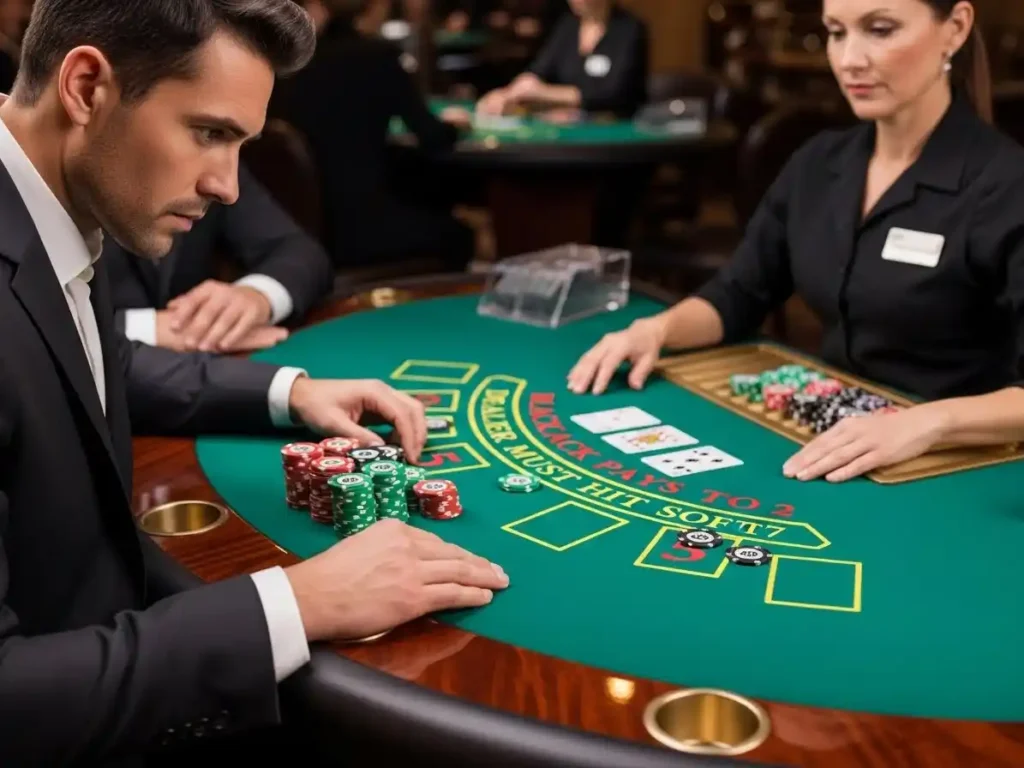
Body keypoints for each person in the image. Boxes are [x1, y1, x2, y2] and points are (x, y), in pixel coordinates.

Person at [0, 1, 508, 764]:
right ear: (86, 87)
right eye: (209, 133)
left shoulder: (53, 203)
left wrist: (289, 391)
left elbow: (95, 365)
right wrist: (294, 603)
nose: (229, 187)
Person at [567, 0, 1024, 483]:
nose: (849, 59)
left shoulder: (1006, 184)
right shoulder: (819, 163)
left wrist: (928, 423)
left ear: (955, 28)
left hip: (961, 471)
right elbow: (738, 294)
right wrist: (656, 331)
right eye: (836, 32)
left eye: (880, 29)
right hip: (835, 447)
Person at [269, 0, 476, 273]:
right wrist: (456, 127)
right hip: (362, 234)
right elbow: (433, 138)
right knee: (460, 234)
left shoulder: (292, 63)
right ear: (376, 6)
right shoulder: (379, 57)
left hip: (300, 232)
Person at [104, 162, 335, 354]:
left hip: (203, 373)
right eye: (209, 134)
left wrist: (256, 295)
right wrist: (146, 329)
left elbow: (301, 251)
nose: (229, 190)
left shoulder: (215, 166)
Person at [475, 0, 648, 119]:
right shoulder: (568, 26)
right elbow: (537, 72)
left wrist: (546, 93)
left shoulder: (629, 29)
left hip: (616, 133)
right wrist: (506, 95)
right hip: (568, 127)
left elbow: (612, 94)